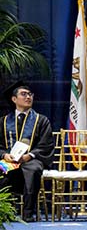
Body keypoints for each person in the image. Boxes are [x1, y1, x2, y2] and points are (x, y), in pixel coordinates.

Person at [0, 81, 54, 221]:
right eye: (23, 94)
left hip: (31, 160)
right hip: (8, 161)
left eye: (30, 94)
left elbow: (46, 145)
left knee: (33, 169)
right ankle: (5, 212)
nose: (28, 97)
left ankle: (28, 213)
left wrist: (29, 156)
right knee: (2, 170)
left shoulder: (41, 120)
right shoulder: (3, 122)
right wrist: (5, 155)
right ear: (14, 99)